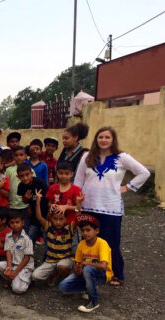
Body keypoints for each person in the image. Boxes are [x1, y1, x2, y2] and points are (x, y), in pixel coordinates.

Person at [74, 126, 150, 286]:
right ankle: (90, 272)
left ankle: (116, 273)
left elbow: (144, 172)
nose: (103, 140)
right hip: (88, 206)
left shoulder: (122, 157)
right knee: (88, 240)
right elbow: (79, 180)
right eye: (100, 137)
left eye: (107, 137)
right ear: (96, 139)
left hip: (111, 208)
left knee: (111, 242)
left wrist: (128, 187)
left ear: (113, 140)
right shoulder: (87, 157)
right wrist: (76, 200)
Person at [59, 214, 113, 313]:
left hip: (103, 274)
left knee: (88, 269)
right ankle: (89, 288)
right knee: (63, 286)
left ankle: (93, 301)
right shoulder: (81, 244)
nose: (85, 233)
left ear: (96, 231)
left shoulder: (102, 244)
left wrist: (86, 263)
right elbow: (77, 264)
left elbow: (103, 266)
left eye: (88, 230)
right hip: (86, 273)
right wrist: (77, 268)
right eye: (83, 230)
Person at [32, 189, 80, 285]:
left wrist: (78, 203)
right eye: (55, 219)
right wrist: (37, 201)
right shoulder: (48, 227)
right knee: (35, 276)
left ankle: (64, 279)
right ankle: (54, 272)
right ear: (51, 219)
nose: (58, 222)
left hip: (65, 260)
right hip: (51, 261)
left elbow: (78, 215)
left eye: (61, 219)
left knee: (62, 266)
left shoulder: (69, 229)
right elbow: (39, 217)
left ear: (65, 219)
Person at [0, 210, 34, 294]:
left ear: (23, 223)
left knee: (18, 289)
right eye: (12, 222)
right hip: (13, 264)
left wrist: (15, 272)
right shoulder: (8, 236)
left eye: (17, 222)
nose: (15, 225)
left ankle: (27, 279)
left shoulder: (27, 239)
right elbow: (8, 251)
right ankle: (13, 278)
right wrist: (9, 267)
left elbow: (27, 258)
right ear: (9, 223)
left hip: (24, 267)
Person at [16, 163, 48, 243]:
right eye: (22, 176)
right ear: (18, 177)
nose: (25, 178)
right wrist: (26, 199)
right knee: (30, 236)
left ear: (32, 173)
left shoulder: (40, 183)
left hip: (46, 214)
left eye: (27, 175)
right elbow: (24, 200)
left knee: (47, 236)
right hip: (34, 215)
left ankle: (46, 254)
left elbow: (48, 198)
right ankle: (29, 253)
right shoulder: (21, 186)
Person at [5, 146, 33, 217]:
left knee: (24, 226)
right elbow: (6, 187)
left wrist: (30, 205)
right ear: (13, 157)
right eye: (16, 155)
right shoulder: (9, 170)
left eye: (21, 155)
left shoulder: (30, 171)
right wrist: (6, 203)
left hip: (25, 206)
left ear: (26, 156)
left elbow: (32, 188)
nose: (19, 157)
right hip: (12, 205)